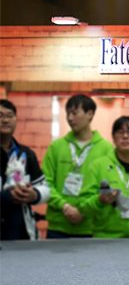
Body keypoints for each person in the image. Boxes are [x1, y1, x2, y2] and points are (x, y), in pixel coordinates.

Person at [78, 116, 129, 238]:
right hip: (106, 241)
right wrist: (99, 200)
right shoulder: (98, 166)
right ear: (113, 137)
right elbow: (82, 207)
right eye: (120, 132)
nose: (125, 136)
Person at [42, 94, 113, 238]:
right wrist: (64, 206)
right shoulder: (56, 147)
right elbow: (45, 183)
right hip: (58, 227)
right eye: (68, 113)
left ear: (89, 114)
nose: (70, 118)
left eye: (74, 113)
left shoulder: (107, 149)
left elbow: (108, 187)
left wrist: (84, 211)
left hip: (92, 228)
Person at [0, 99, 50, 240]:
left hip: (21, 236)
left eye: (10, 116)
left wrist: (33, 195)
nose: (5, 120)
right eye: (0, 116)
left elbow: (45, 189)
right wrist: (8, 197)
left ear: (16, 120)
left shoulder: (26, 154)